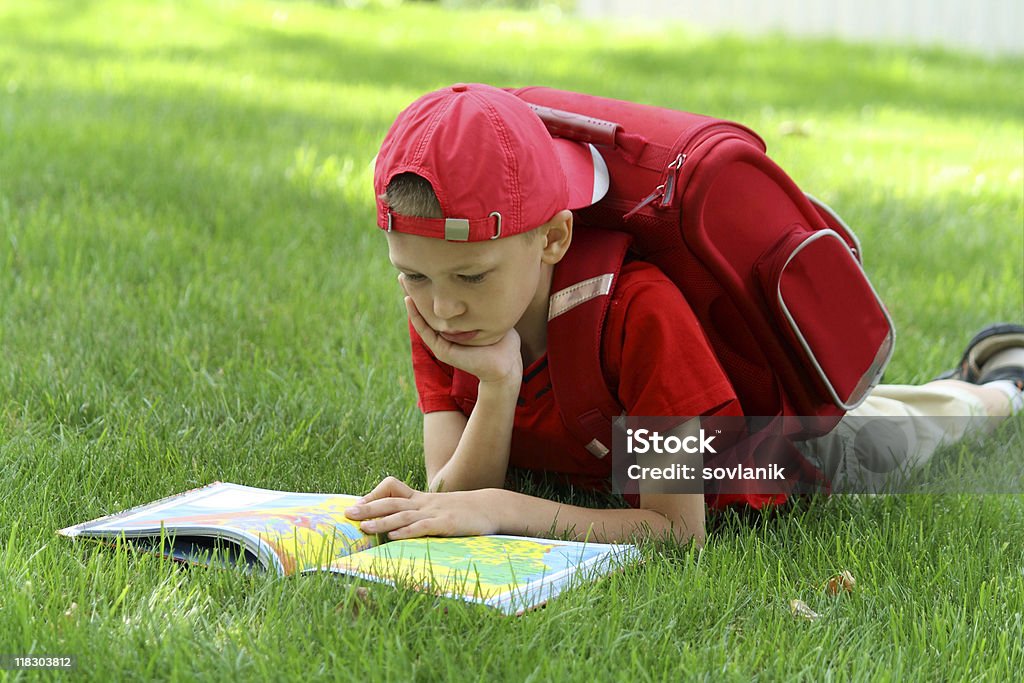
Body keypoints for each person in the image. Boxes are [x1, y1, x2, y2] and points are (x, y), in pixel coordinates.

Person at [343, 83, 1024, 546]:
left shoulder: (636, 313)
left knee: (923, 426)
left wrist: (506, 511)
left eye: (470, 274)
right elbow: (452, 490)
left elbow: (675, 529)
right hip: (621, 456)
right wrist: (498, 386)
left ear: (552, 238)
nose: (442, 304)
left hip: (774, 457)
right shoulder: (450, 310)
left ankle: (1003, 384)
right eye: (413, 274)